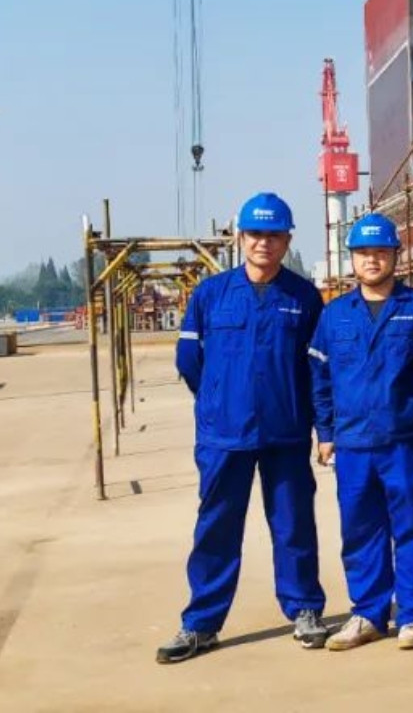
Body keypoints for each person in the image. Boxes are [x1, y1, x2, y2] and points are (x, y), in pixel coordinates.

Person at [157, 192, 328, 664]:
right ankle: (201, 623)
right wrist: (217, 398)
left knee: (293, 524)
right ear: (240, 238)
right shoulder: (210, 294)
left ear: (287, 240)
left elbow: (316, 367)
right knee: (216, 527)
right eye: (255, 234)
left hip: (286, 432)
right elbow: (189, 360)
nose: (263, 243)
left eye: (273, 235)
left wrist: (320, 426)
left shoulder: (304, 297)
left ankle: (305, 609)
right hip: (224, 435)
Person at [309, 213, 413, 651]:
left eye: (381, 252)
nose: (372, 260)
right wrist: (325, 431)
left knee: (411, 527)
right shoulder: (334, 315)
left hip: (406, 440)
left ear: (395, 256)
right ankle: (368, 612)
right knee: (360, 530)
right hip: (353, 443)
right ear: (352, 258)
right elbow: (320, 377)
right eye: (363, 253)